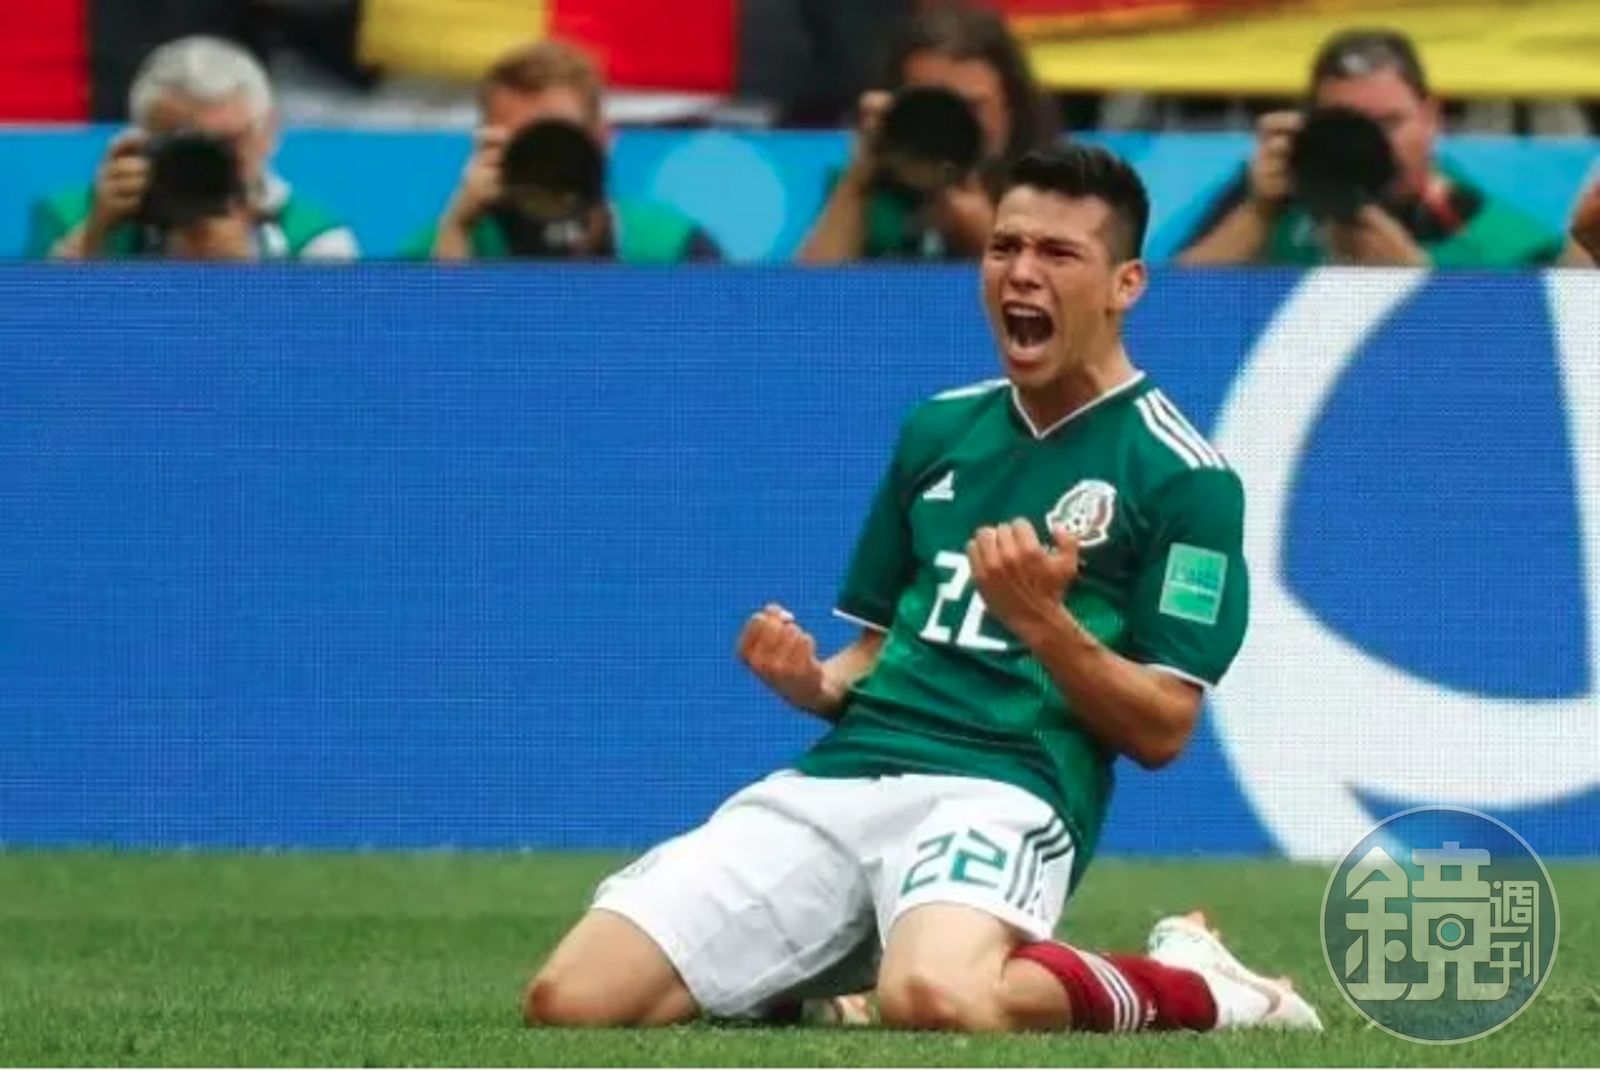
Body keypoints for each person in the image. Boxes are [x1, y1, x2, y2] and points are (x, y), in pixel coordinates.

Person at [524, 145, 1322, 1037]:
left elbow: (1163, 727)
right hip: (848, 773)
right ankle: (813, 987)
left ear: (1124, 284)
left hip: (1007, 785)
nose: (1021, 273)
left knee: (936, 999)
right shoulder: (939, 429)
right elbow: (872, 652)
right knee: (573, 1000)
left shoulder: (1184, 476)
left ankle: (1198, 983)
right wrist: (813, 682)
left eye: (1057, 253)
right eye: (1004, 247)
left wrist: (1043, 623)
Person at [1180, 28, 1565, 268]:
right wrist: (1259, 213)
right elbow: (1169, 310)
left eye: (1389, 123)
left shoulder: (1500, 239)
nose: (1370, 143)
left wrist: (1415, 287)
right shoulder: (1270, 197)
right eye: (1349, 124)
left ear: (1431, 118)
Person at [27, 36, 357, 261]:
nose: (204, 163)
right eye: (183, 145)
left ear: (268, 132)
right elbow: (31, 334)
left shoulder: (312, 241)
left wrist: (247, 278)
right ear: (139, 140)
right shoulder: (71, 218)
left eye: (226, 143)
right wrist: (91, 240)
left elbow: (327, 343)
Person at [412, 40, 721, 263]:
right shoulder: (430, 253)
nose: (541, 164)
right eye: (523, 146)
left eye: (556, 142)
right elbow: (426, 335)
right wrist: (455, 237)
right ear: (485, 148)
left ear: (602, 141)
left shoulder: (673, 252)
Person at [798, 5, 1058, 262]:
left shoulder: (1055, 191)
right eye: (932, 106)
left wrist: (985, 240)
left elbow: (1058, 288)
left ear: (1011, 106)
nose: (950, 124)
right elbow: (810, 287)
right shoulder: (865, 194)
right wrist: (859, 177)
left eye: (971, 106)